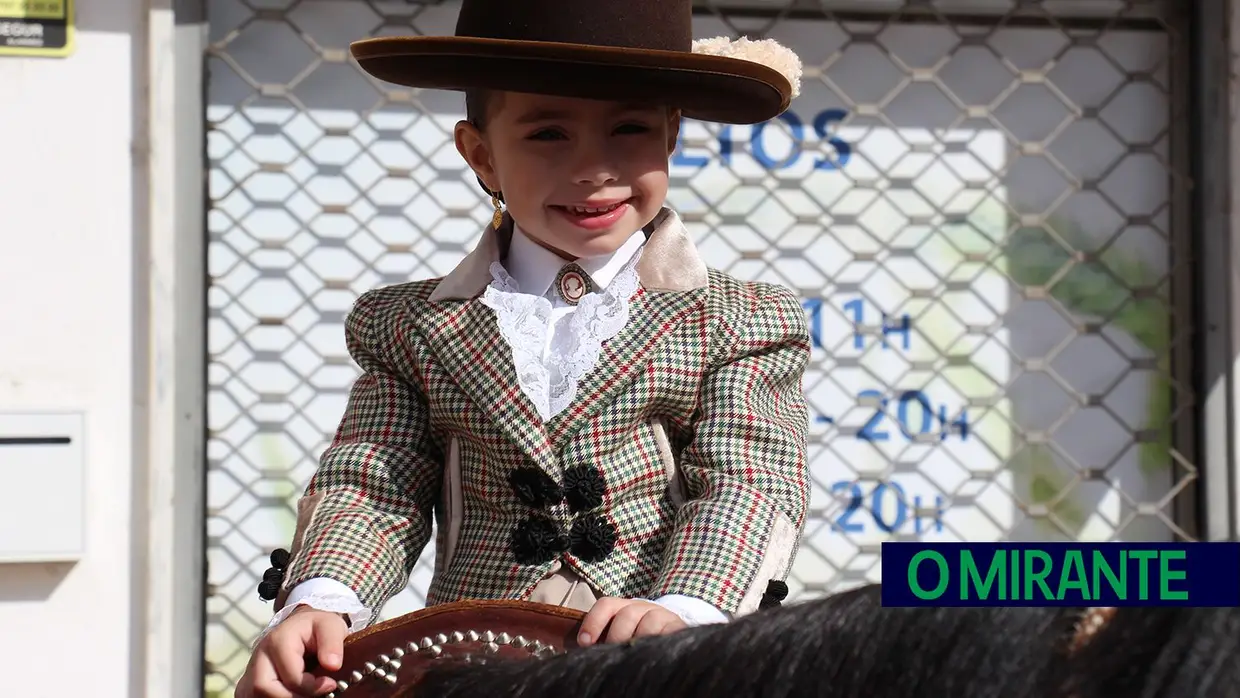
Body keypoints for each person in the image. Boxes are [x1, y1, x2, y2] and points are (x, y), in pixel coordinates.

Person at [234, 0, 811, 695]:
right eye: (547, 134)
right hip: (466, 666)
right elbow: (373, 486)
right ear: (481, 154)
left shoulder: (738, 320)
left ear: (672, 134)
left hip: (658, 668)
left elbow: (748, 482)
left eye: (628, 127)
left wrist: (684, 610)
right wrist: (321, 600)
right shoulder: (413, 326)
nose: (594, 168)